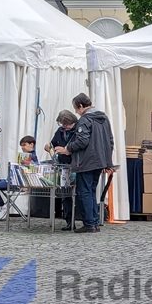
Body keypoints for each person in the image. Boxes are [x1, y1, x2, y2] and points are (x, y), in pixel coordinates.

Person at [55, 93, 114, 234]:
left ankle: (89, 223)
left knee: (84, 192)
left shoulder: (85, 120)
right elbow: (110, 141)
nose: (76, 112)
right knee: (91, 191)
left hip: (86, 161)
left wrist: (67, 149)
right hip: (100, 161)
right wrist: (107, 161)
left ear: (81, 106)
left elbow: (82, 141)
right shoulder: (104, 118)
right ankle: (94, 222)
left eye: (76, 109)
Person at [45, 110, 78, 231]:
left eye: (66, 124)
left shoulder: (78, 131)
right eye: (62, 124)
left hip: (75, 165)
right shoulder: (60, 131)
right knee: (66, 195)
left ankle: (87, 221)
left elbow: (81, 146)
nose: (64, 127)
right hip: (62, 165)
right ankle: (70, 222)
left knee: (77, 194)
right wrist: (48, 146)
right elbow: (53, 143)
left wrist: (66, 150)